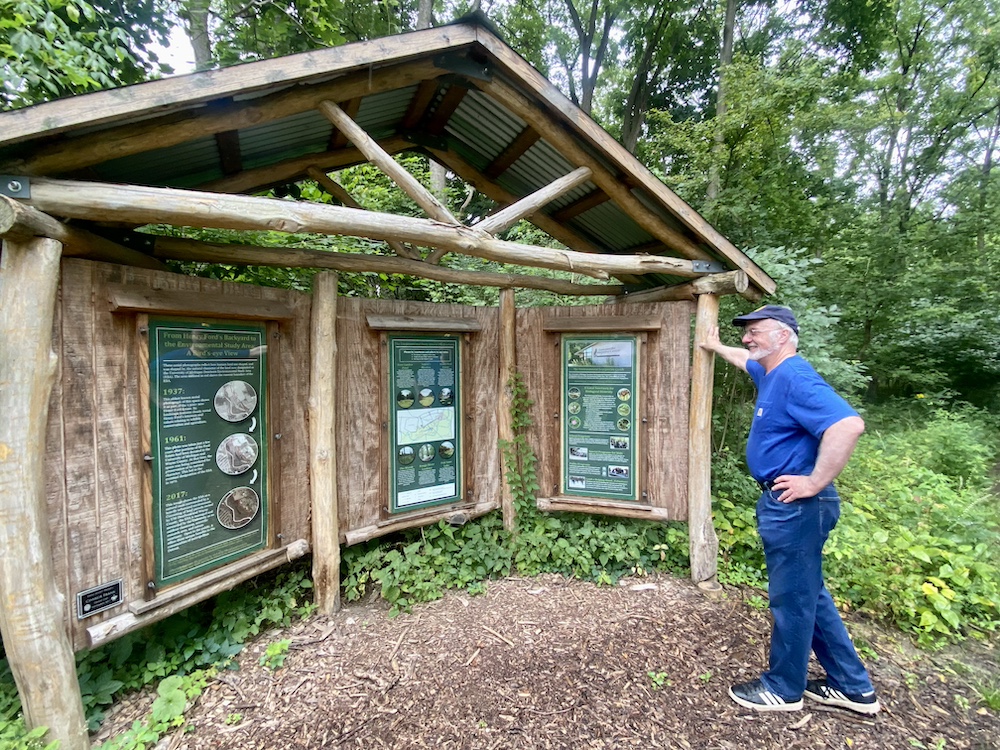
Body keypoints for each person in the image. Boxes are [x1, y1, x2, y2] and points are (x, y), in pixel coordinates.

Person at [700, 304, 879, 715]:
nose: (747, 338)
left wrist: (814, 481)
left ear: (783, 335)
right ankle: (853, 687)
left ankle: (783, 689)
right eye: (745, 332)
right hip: (790, 506)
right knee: (809, 595)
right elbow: (746, 359)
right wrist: (715, 345)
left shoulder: (796, 377)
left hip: (798, 505)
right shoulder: (772, 371)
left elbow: (847, 424)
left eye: (755, 331)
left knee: (792, 599)